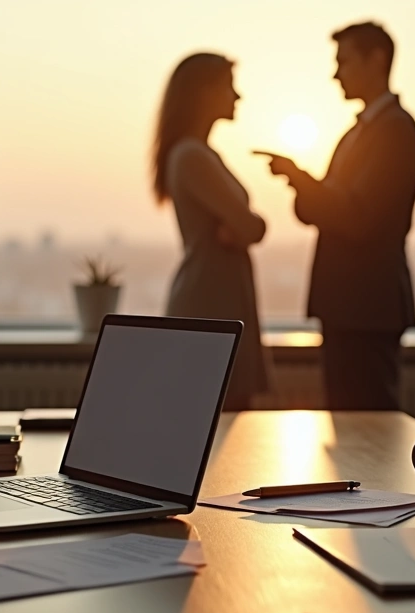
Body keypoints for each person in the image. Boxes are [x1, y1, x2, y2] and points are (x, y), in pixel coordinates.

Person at [258, 22, 415, 410]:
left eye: (343, 61)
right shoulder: (360, 132)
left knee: (370, 432)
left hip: (367, 307)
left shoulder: (394, 131)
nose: (336, 74)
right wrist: (304, 185)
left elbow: (358, 217)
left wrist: (302, 180)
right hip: (351, 308)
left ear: (376, 60)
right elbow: (325, 207)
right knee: (351, 428)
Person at [154, 53, 271, 410]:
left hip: (216, 296)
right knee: (219, 419)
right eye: (228, 86)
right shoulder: (192, 155)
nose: (237, 96)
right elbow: (251, 226)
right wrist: (249, 225)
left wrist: (244, 226)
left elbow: (245, 227)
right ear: (203, 92)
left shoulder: (197, 153)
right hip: (210, 301)